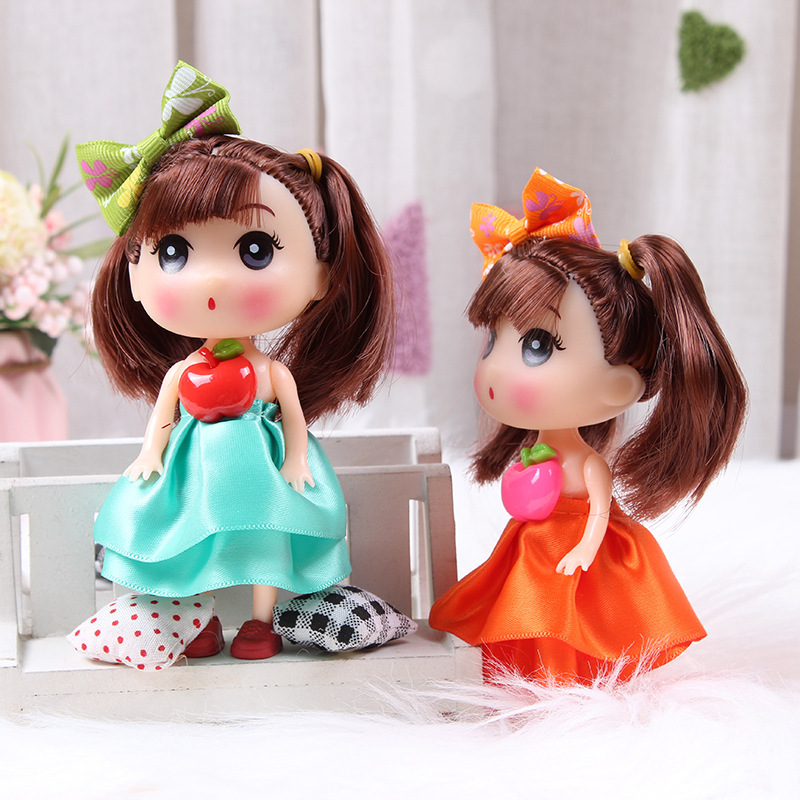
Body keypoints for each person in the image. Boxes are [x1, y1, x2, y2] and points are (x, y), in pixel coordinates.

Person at [78, 62, 394, 661]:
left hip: (263, 475)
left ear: (321, 276)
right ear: (135, 277)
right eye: (174, 252)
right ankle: (196, 619)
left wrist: (295, 457)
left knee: (266, 544)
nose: (212, 280)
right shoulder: (182, 374)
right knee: (191, 539)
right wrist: (151, 453)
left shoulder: (272, 375)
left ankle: (260, 622)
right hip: (193, 469)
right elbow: (164, 418)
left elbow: (294, 417)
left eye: (255, 249)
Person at [429, 168, 746, 684]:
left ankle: (565, 676)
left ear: (618, 388)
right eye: (492, 342)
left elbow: (599, 511)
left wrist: (583, 548)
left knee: (567, 619)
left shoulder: (590, 464)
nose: (496, 370)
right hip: (531, 544)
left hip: (576, 555)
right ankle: (525, 666)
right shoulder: (537, 450)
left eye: (537, 346)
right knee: (521, 606)